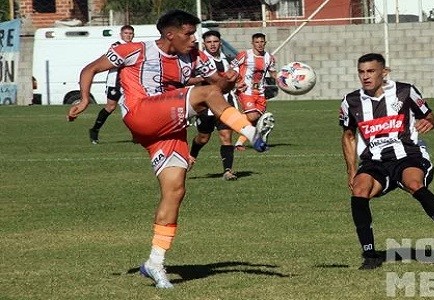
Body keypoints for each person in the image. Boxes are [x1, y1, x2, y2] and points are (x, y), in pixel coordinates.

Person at [67, 10, 274, 288]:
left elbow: (218, 86)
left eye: (194, 34)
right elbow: (90, 69)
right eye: (188, 34)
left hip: (170, 129)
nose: (193, 39)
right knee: (203, 94)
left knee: (175, 190)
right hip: (142, 115)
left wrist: (231, 79)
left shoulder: (196, 58)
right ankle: (250, 132)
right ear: (170, 34)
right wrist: (83, 100)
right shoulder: (135, 50)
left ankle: (154, 261)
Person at [340, 53, 434, 270]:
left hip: (408, 156)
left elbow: (431, 117)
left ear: (384, 72)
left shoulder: (406, 91)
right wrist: (351, 171)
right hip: (375, 162)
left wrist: (428, 122)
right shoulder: (351, 101)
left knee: (414, 184)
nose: (365, 76)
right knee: (359, 189)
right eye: (361, 72)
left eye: (371, 71)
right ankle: (370, 253)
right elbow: (348, 136)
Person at [189, 30, 244, 180]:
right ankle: (192, 154)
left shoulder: (229, 60)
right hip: (206, 105)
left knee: (226, 136)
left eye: (215, 41)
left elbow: (234, 80)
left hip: (225, 103)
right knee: (203, 138)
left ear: (220, 43)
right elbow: (189, 80)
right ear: (204, 44)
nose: (212, 45)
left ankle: (227, 171)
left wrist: (239, 84)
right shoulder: (199, 61)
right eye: (209, 42)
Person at [88, 25, 135, 144]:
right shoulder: (116, 46)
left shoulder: (135, 47)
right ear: (121, 35)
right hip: (115, 81)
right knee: (111, 107)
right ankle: (94, 130)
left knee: (131, 108)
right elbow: (115, 62)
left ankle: (136, 135)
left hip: (129, 82)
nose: (128, 35)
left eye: (130, 33)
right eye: (126, 33)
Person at [230, 32, 277, 150]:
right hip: (246, 90)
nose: (260, 44)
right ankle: (234, 122)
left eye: (262, 42)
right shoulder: (244, 55)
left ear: (265, 43)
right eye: (257, 42)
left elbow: (273, 73)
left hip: (260, 92)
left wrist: (285, 80)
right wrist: (236, 83)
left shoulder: (269, 58)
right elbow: (231, 69)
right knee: (252, 117)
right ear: (252, 43)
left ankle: (239, 143)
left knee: (255, 120)